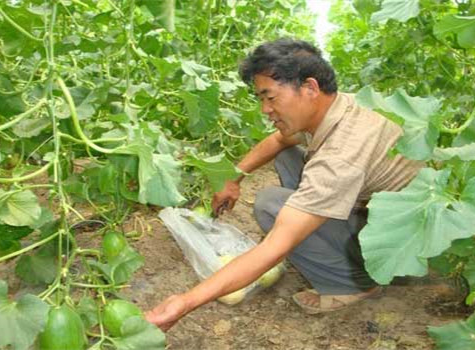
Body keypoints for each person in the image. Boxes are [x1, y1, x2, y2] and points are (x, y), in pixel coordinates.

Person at [145, 38, 422, 331]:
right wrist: (233, 178)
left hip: (398, 251)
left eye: (271, 97)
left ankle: (353, 284)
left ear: (310, 88)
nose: (265, 109)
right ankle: (326, 244)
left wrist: (185, 302)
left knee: (271, 205)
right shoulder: (339, 105)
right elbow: (279, 140)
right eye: (261, 99)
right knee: (289, 155)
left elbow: (276, 246)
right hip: (385, 215)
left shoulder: (342, 156)